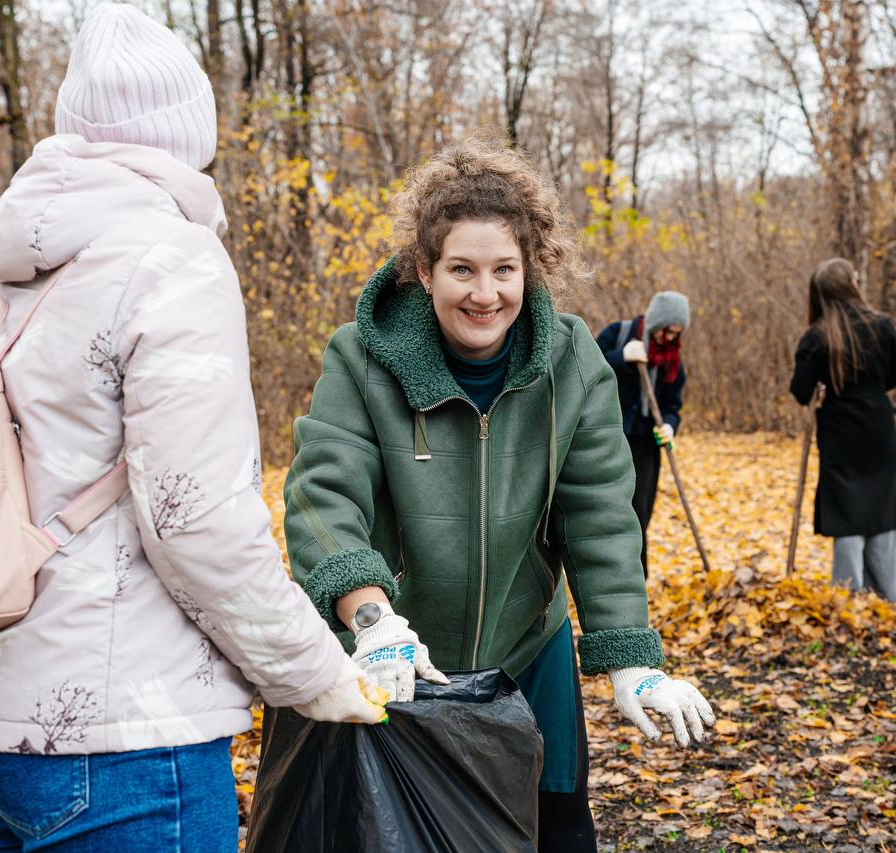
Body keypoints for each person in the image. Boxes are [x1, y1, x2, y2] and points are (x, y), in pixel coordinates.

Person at [0, 6, 382, 851]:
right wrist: (312, 672)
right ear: (190, 131)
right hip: (120, 736)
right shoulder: (170, 258)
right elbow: (195, 513)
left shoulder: (9, 261)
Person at [277, 138, 716, 853]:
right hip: (393, 656)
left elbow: (601, 515)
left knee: (556, 832)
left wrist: (630, 655)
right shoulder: (359, 357)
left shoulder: (572, 361)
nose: (485, 293)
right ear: (424, 270)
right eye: (462, 269)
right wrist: (371, 616)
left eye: (504, 269)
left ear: (529, 270)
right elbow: (324, 496)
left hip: (526, 649)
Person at [789, 258, 896, 602]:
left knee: (847, 513)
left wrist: (824, 389)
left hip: (839, 431)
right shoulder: (882, 327)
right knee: (882, 511)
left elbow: (800, 390)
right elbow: (895, 375)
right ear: (850, 285)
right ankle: (889, 596)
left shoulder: (816, 336)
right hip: (878, 428)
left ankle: (848, 597)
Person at [596, 293, 690, 576]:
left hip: (645, 446)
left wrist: (670, 425)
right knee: (610, 510)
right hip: (608, 438)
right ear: (656, 322)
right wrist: (621, 357)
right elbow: (587, 373)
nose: (671, 339)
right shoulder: (617, 334)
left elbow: (673, 404)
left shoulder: (672, 361)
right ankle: (609, 572)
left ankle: (636, 578)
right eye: (668, 331)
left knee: (639, 513)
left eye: (677, 334)